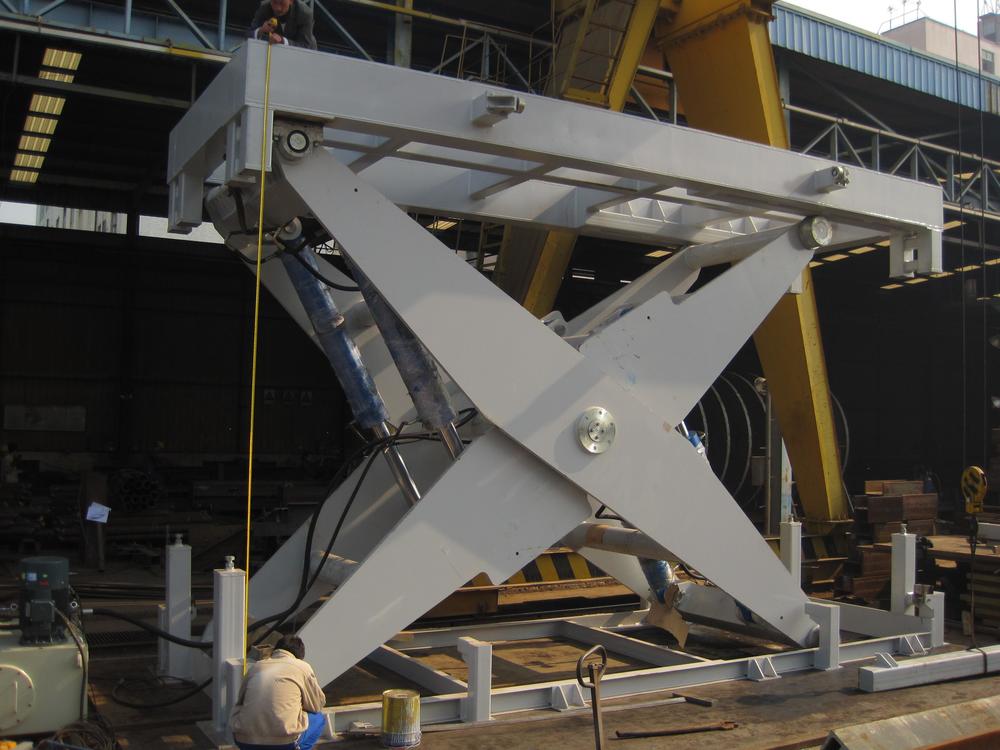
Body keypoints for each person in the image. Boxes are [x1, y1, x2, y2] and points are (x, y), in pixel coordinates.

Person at [231, 635, 327, 750]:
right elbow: (317, 705)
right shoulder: (302, 667)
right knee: (319, 718)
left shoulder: (256, 667)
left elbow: (241, 700)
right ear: (300, 656)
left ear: (275, 651)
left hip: (244, 739)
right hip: (283, 743)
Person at [249, 0, 317, 50]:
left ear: (291, 1)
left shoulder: (304, 13)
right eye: (274, 2)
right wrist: (260, 30)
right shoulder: (264, 8)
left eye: (282, 3)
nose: (278, 8)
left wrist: (283, 41)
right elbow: (248, 34)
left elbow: (305, 45)